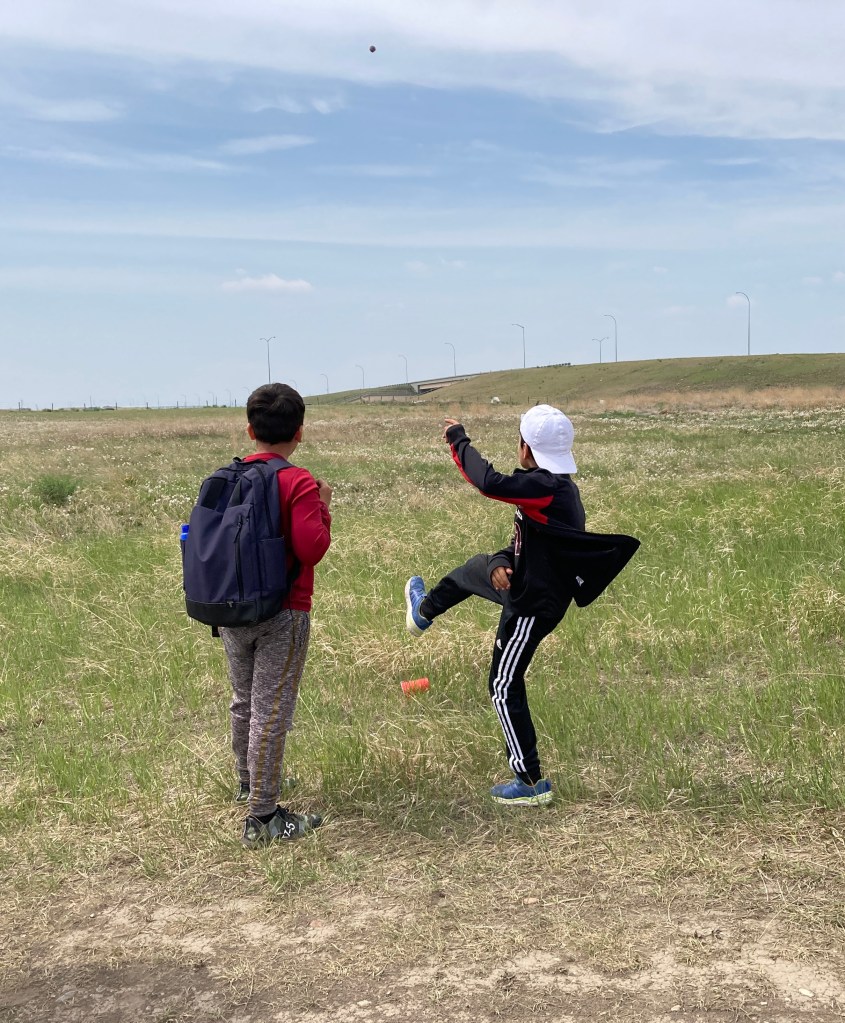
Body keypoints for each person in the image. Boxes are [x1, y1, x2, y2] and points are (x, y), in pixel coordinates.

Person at [404, 405, 638, 807]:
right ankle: (424, 612)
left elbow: (486, 481)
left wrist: (458, 439)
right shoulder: (547, 486)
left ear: (526, 448)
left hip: (532, 603)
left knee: (502, 685)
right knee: (474, 569)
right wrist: (500, 562)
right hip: (523, 581)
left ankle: (529, 780)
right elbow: (528, 542)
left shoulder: (549, 488)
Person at [220, 383, 332, 847]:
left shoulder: (228, 476)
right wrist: (323, 506)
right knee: (271, 712)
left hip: (230, 607)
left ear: (250, 430)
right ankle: (263, 818)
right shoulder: (298, 482)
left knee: (244, 700)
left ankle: (249, 782)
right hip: (283, 611)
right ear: (300, 433)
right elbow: (313, 548)